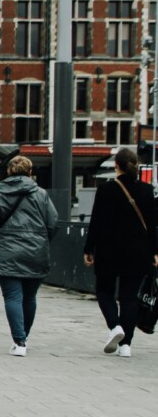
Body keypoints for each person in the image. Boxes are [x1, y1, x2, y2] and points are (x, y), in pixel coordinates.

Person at [83, 147, 158, 358]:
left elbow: (96, 222)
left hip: (109, 250)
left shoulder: (106, 190)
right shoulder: (146, 190)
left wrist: (89, 249)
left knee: (104, 291)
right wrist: (155, 251)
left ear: (116, 166)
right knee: (129, 298)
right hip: (138, 252)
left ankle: (115, 326)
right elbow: (152, 225)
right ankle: (126, 346)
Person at [0, 155, 57, 357]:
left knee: (13, 296)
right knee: (30, 296)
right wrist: (41, 240)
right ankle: (24, 337)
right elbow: (53, 223)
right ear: (30, 172)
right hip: (35, 250)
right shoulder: (41, 194)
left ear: (8, 172)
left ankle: (19, 341)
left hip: (6, 249)